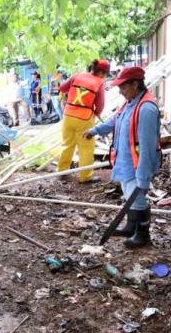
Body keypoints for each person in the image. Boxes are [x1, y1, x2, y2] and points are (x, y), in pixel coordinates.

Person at [84, 66, 161, 248]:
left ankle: (143, 235)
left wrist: (143, 176)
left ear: (135, 84)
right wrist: (95, 130)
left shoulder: (146, 109)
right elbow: (115, 120)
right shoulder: (130, 102)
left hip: (137, 165)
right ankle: (131, 226)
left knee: (138, 197)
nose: (120, 91)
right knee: (129, 195)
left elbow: (147, 147)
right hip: (126, 161)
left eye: (123, 87)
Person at [56, 59, 109, 182]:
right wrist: (95, 113)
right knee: (86, 148)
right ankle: (85, 176)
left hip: (68, 115)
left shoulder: (77, 75)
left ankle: (62, 171)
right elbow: (100, 104)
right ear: (102, 72)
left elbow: (63, 88)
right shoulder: (99, 82)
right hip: (84, 118)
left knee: (67, 144)